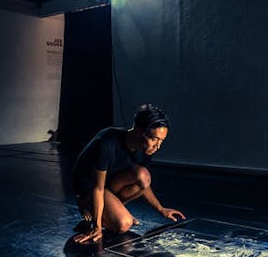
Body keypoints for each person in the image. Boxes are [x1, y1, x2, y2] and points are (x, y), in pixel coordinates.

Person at [72, 104, 186, 244]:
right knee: (124, 224)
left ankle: (111, 210)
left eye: (161, 140)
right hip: (89, 188)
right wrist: (96, 227)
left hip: (109, 185)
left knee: (144, 176)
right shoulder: (107, 142)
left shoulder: (146, 148)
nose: (158, 146)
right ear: (138, 131)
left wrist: (161, 208)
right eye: (154, 139)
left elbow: (144, 183)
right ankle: (94, 210)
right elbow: (98, 188)